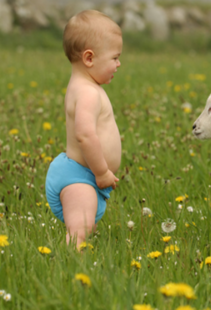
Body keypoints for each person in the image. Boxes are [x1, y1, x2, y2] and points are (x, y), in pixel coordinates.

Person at [45, 10, 122, 250]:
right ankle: (70, 267)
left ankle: (80, 258)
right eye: (115, 58)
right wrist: (101, 172)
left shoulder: (83, 85)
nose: (118, 64)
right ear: (89, 58)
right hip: (79, 177)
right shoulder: (88, 92)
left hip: (80, 176)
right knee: (80, 230)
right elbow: (85, 135)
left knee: (86, 225)